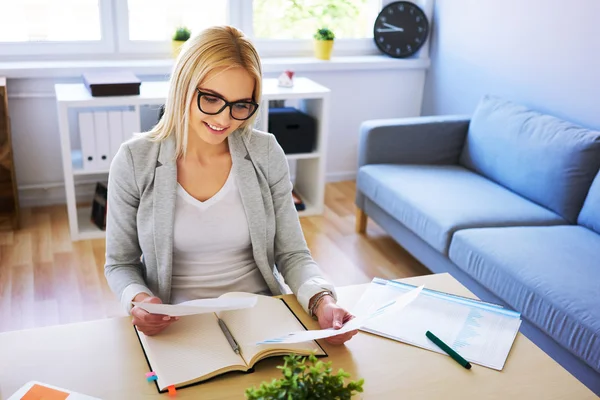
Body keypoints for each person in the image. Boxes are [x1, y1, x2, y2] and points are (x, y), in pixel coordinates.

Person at [104, 25, 357, 345]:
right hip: (178, 326)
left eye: (240, 104)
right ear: (183, 86)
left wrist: (322, 301)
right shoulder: (133, 160)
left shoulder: (265, 153)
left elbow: (292, 254)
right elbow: (121, 263)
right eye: (211, 99)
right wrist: (139, 299)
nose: (224, 119)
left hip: (263, 316)